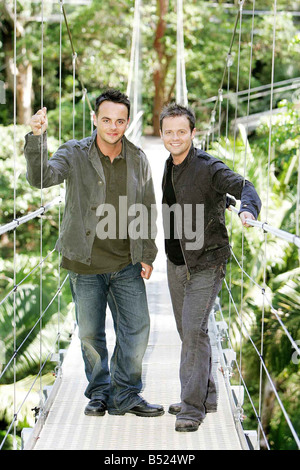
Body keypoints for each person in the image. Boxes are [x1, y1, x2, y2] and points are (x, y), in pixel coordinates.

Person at [24, 89, 164, 418]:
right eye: (106, 120)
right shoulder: (73, 153)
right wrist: (36, 138)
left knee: (138, 328)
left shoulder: (139, 158)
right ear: (94, 119)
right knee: (89, 333)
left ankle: (126, 393)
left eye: (119, 121)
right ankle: (100, 392)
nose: (113, 127)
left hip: (126, 262)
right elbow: (41, 178)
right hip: (84, 263)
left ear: (128, 122)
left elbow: (147, 207)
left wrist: (147, 253)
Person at [159, 103, 261, 432]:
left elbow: (244, 186)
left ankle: (191, 408)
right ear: (161, 134)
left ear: (192, 133)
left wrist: (247, 210)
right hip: (176, 263)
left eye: (181, 132)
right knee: (190, 333)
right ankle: (207, 394)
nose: (175, 137)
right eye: (169, 132)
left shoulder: (208, 166)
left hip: (207, 262)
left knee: (192, 332)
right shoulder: (168, 166)